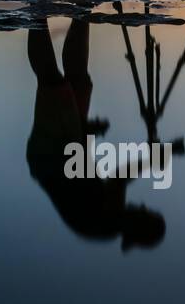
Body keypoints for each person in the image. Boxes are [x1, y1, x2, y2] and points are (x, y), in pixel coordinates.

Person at [26, 14, 166, 250]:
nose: (141, 206)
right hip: (63, 152)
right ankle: (82, 13)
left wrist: (154, 160)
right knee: (79, 82)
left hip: (52, 157)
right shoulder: (109, 224)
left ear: (137, 225)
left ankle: (37, 10)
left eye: (144, 212)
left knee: (54, 84)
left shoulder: (109, 221)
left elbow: (117, 178)